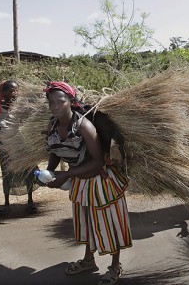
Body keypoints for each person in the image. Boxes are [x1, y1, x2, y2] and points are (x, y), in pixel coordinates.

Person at [43, 81, 132, 285]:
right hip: (80, 183)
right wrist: (48, 172)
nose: (56, 106)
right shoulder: (53, 124)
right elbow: (55, 151)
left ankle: (115, 265)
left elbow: (98, 161)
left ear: (71, 102)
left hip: (101, 182)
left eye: (60, 101)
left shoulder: (83, 125)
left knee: (109, 224)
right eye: (52, 102)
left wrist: (66, 175)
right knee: (86, 223)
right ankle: (88, 260)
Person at [0, 80, 37, 216]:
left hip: (23, 144)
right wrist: (7, 136)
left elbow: (30, 123)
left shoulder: (22, 106)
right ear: (3, 92)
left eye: (16, 90)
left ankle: (30, 201)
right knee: (7, 173)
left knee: (28, 171)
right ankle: (6, 203)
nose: (14, 93)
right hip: (7, 146)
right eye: (11, 90)